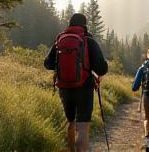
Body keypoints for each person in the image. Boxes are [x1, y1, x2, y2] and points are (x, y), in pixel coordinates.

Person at [44, 13, 108, 152]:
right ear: (84, 25)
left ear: (69, 24)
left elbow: (47, 64)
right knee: (83, 128)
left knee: (70, 122)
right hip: (84, 88)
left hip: (65, 88)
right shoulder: (88, 41)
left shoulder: (60, 40)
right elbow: (102, 69)